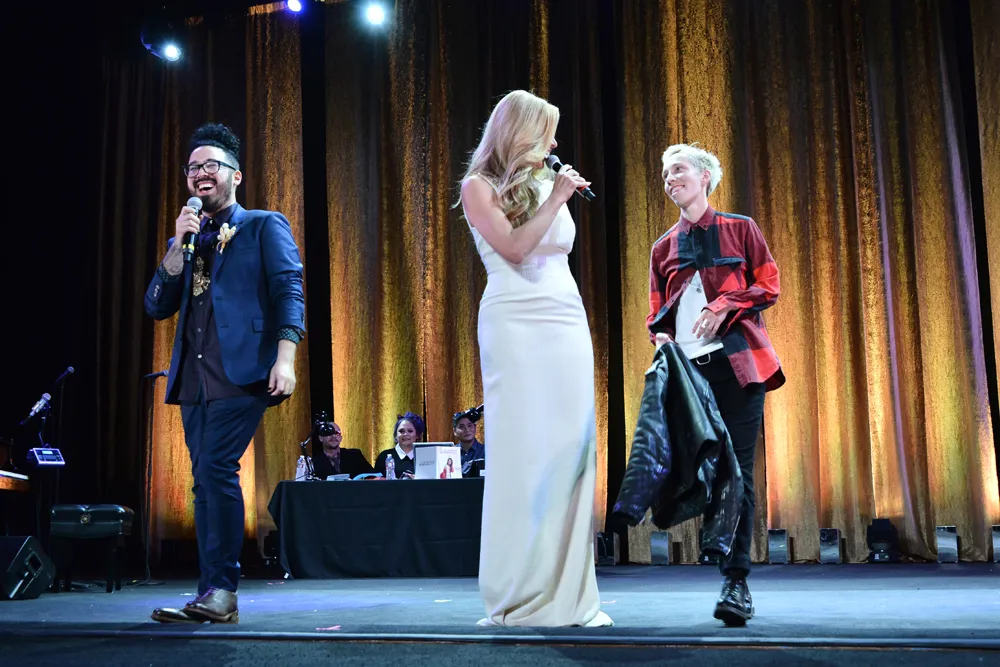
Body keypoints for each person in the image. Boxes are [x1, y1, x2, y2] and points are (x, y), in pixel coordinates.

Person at [458, 90, 612, 627]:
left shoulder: (548, 182)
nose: (554, 144)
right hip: (514, 322)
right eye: (547, 133)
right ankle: (519, 591)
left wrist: (556, 191)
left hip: (564, 318)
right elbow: (515, 249)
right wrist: (557, 197)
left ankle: (572, 595)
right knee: (524, 452)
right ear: (519, 132)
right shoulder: (478, 187)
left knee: (571, 449)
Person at [144, 123, 305, 624]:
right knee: (204, 482)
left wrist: (285, 358)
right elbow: (156, 305)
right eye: (193, 167)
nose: (200, 173)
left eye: (210, 165)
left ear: (236, 175)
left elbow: (289, 290)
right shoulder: (188, 239)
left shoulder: (263, 225)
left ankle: (222, 591)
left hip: (243, 370)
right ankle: (209, 593)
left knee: (216, 469)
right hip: (194, 378)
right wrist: (177, 245)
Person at [648, 143, 783, 626]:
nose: (670, 179)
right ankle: (715, 545)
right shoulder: (663, 247)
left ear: (704, 176)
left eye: (678, 169)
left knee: (737, 472)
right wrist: (661, 337)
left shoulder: (740, 228)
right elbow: (656, 314)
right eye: (665, 174)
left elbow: (768, 284)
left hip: (738, 367)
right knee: (702, 471)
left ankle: (735, 580)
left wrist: (722, 304)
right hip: (690, 375)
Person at [310, 412, 374, 479]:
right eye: (329, 433)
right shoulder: (314, 463)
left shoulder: (355, 455)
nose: (334, 436)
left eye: (337, 433)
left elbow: (373, 475)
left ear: (341, 437)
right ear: (320, 438)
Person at [373, 412, 424, 479]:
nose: (405, 434)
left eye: (410, 431)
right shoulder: (384, 456)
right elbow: (375, 482)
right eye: (401, 431)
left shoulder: (424, 457)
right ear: (395, 436)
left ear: (417, 435)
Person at [453, 408, 485, 477]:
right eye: (462, 427)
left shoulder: (486, 451)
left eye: (470, 425)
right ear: (454, 431)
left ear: (475, 427)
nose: (467, 430)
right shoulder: (449, 453)